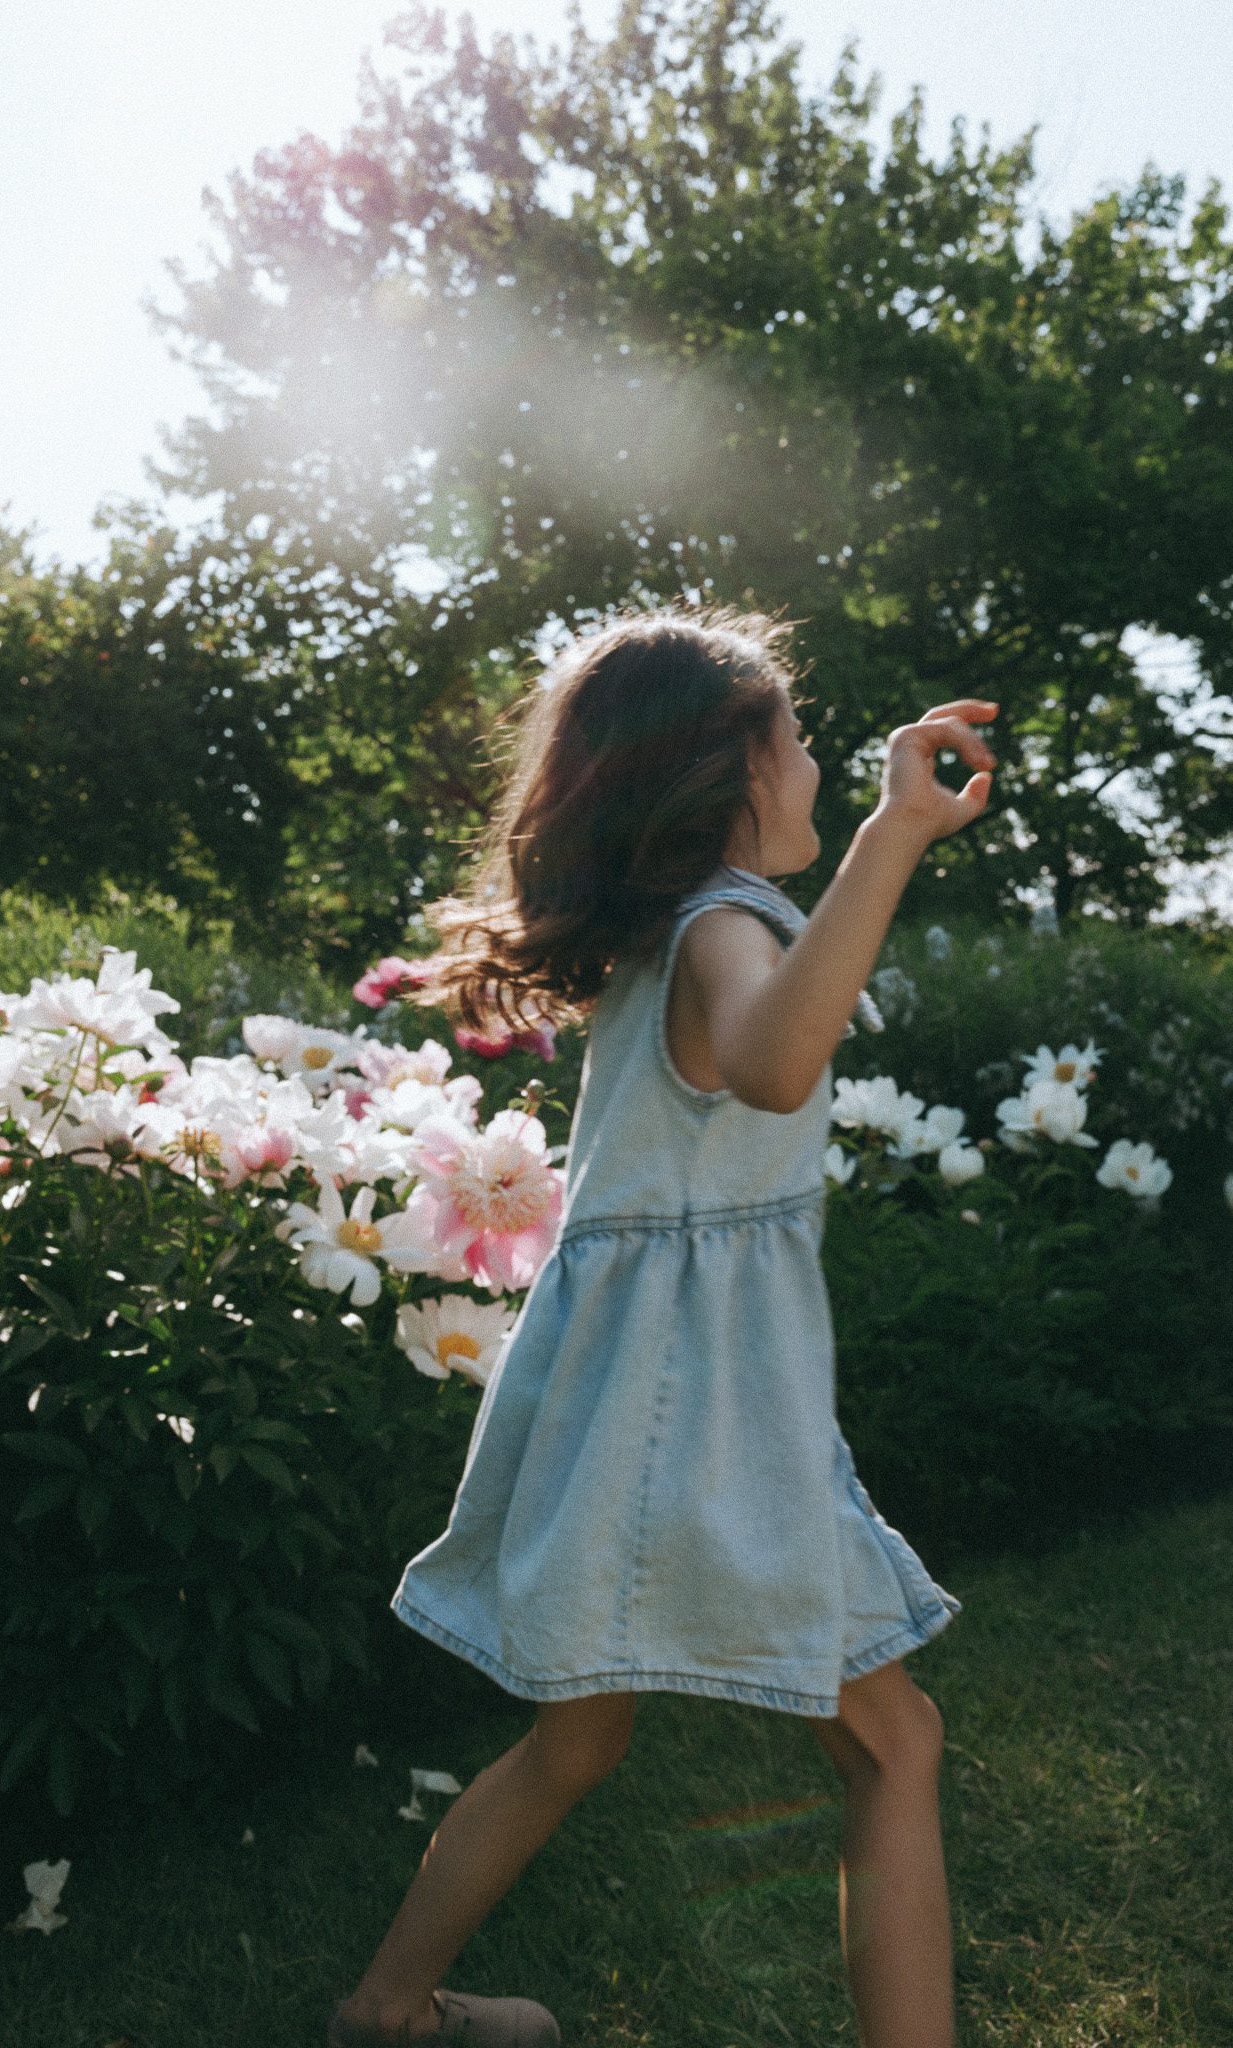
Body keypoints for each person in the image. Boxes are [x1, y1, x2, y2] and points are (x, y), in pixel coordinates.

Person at [328, 602, 998, 2048]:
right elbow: (770, 1066)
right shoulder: (721, 923)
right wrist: (893, 837)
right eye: (803, 738)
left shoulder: (657, 947)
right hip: (700, 1401)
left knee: (579, 1734)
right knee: (895, 1743)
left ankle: (389, 2011)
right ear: (733, 772)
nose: (821, 765)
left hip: (611, 1391)